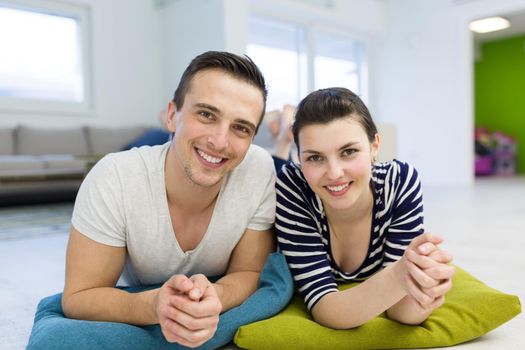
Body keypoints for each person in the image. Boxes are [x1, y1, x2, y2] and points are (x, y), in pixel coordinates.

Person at [61, 51, 276, 348]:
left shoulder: (259, 168)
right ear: (173, 116)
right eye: (206, 114)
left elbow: (249, 272)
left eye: (241, 128)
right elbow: (79, 295)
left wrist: (218, 296)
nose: (220, 141)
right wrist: (154, 306)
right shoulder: (115, 177)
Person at [276, 87, 455, 329]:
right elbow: (327, 309)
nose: (334, 173)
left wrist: (424, 290)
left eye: (348, 152)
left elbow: (400, 312)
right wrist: (401, 275)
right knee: (274, 163)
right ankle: (281, 143)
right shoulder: (293, 184)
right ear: (300, 157)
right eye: (315, 158)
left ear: (374, 145)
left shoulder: (399, 181)